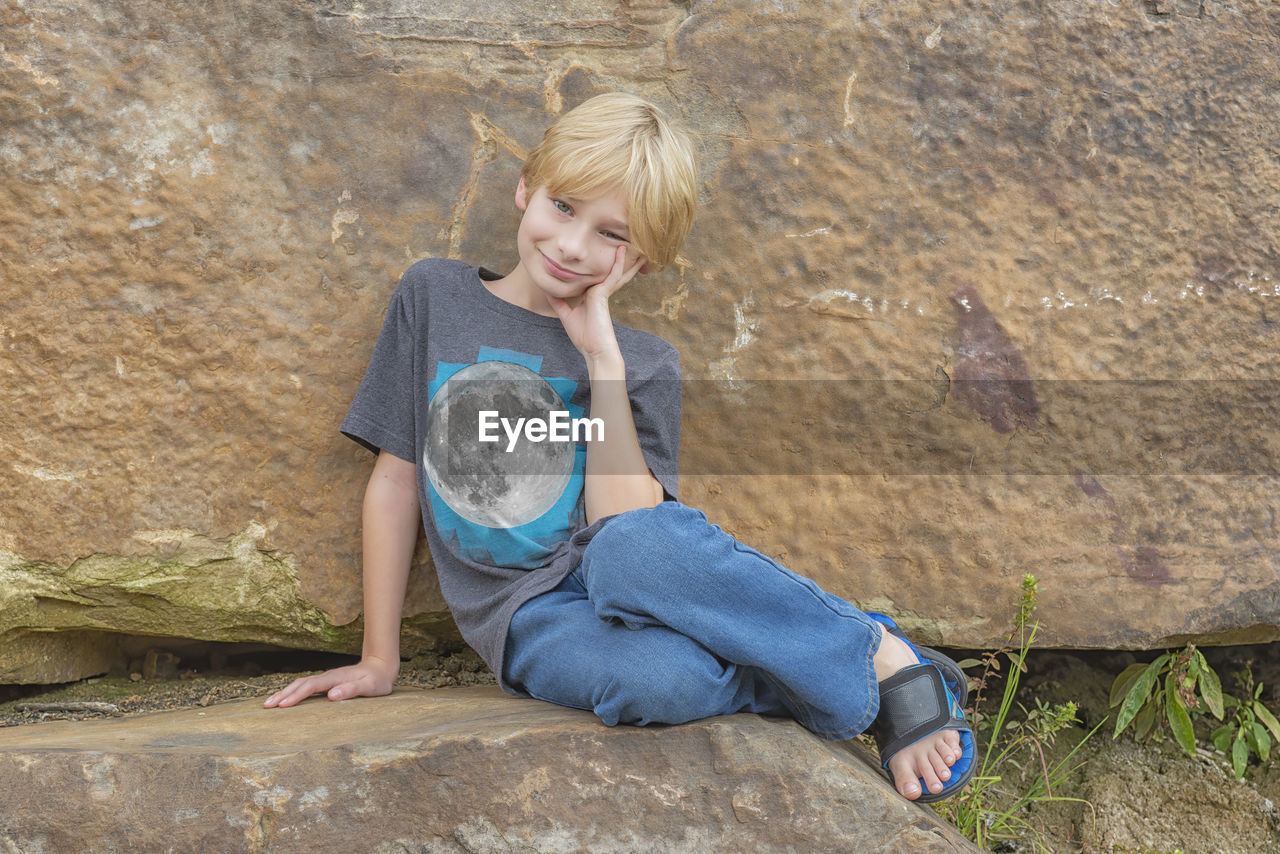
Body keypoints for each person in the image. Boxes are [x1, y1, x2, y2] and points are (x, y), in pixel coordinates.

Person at [264, 93, 974, 802]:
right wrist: (378, 658)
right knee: (662, 683)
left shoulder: (645, 362)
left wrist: (602, 363)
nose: (572, 245)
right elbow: (396, 481)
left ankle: (877, 654)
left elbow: (626, 528)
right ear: (524, 188)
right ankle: (851, 658)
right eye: (564, 206)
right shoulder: (433, 298)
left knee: (632, 550)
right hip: (526, 614)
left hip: (629, 568)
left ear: (646, 260)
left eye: (612, 234)